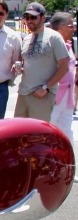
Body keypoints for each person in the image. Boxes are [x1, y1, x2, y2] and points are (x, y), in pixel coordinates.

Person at [14, 2, 70, 122]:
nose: (29, 20)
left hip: (42, 95)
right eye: (27, 17)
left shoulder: (54, 37)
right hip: (23, 93)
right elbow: (30, 64)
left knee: (38, 136)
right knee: (19, 134)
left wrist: (46, 87)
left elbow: (64, 67)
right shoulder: (26, 39)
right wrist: (18, 68)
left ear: (43, 18)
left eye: (33, 17)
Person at [48, 12, 76, 142]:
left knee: (66, 131)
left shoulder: (70, 45)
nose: (74, 29)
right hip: (55, 95)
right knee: (49, 129)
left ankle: (67, 160)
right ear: (60, 28)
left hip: (68, 97)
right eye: (70, 26)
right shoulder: (51, 45)